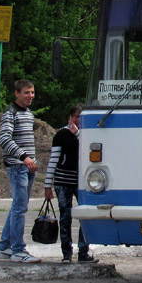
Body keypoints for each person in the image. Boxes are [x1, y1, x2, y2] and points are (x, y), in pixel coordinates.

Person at [44, 104, 97, 264]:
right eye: (75, 116)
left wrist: (79, 134)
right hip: (62, 181)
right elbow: (53, 160)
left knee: (85, 217)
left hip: (81, 183)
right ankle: (66, 253)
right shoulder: (61, 134)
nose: (78, 120)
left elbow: (89, 150)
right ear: (70, 117)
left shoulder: (87, 134)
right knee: (65, 217)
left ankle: (83, 252)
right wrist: (48, 185)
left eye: (80, 117)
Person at [0, 79, 41, 263]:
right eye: (26, 93)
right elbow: (4, 139)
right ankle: (18, 250)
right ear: (16, 93)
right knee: (20, 209)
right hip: (18, 167)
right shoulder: (10, 113)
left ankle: (5, 246)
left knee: (18, 207)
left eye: (32, 92)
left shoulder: (28, 114)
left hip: (28, 167)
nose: (30, 96)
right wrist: (24, 157)